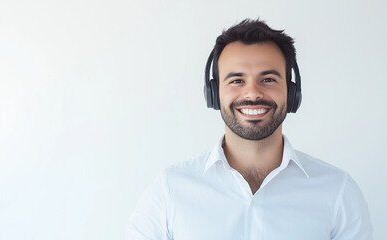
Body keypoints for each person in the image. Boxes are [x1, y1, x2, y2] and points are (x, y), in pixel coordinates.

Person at [125, 19, 372, 240]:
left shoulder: (339, 193)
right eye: (237, 80)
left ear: (292, 92)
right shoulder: (168, 192)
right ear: (213, 94)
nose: (253, 93)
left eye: (268, 79)